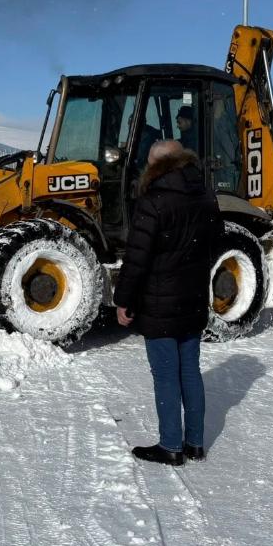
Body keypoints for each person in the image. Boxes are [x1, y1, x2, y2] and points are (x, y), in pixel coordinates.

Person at [114, 139, 222, 466]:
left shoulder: (153, 201)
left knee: (165, 375)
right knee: (190, 370)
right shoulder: (205, 196)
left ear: (158, 165)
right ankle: (195, 443)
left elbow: (137, 260)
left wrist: (123, 300)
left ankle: (171, 446)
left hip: (159, 303)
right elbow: (215, 245)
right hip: (192, 300)